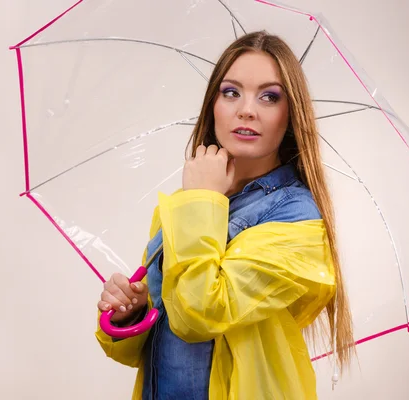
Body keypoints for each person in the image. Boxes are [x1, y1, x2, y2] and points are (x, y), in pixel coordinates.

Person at [95, 31, 354, 400]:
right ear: (212, 105)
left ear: (290, 115)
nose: (246, 109)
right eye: (231, 92)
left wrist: (202, 199)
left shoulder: (298, 220)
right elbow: (159, 346)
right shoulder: (187, 204)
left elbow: (199, 316)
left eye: (269, 96)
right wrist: (132, 315)